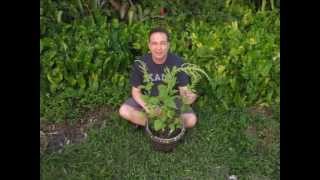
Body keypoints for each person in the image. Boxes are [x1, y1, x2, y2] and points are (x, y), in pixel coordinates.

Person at [119, 27, 198, 129]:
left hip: (170, 103)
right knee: (124, 111)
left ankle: (154, 124)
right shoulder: (140, 63)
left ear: (168, 45)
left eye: (163, 43)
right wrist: (148, 107)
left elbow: (184, 91)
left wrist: (190, 96)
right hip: (149, 100)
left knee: (191, 120)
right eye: (155, 43)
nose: (159, 48)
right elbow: (135, 92)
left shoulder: (178, 62)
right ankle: (165, 125)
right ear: (149, 45)